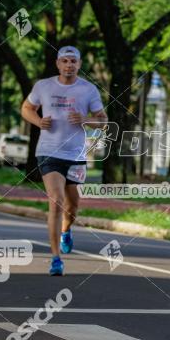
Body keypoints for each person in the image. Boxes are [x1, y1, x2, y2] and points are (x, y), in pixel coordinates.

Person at [21, 46, 107, 276]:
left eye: (73, 61)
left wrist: (86, 119)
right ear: (58, 63)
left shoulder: (88, 90)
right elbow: (27, 108)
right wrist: (38, 122)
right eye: (65, 61)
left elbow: (103, 121)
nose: (69, 65)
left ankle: (66, 231)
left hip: (77, 155)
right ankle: (55, 258)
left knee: (72, 205)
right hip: (48, 152)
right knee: (56, 200)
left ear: (79, 65)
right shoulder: (43, 86)